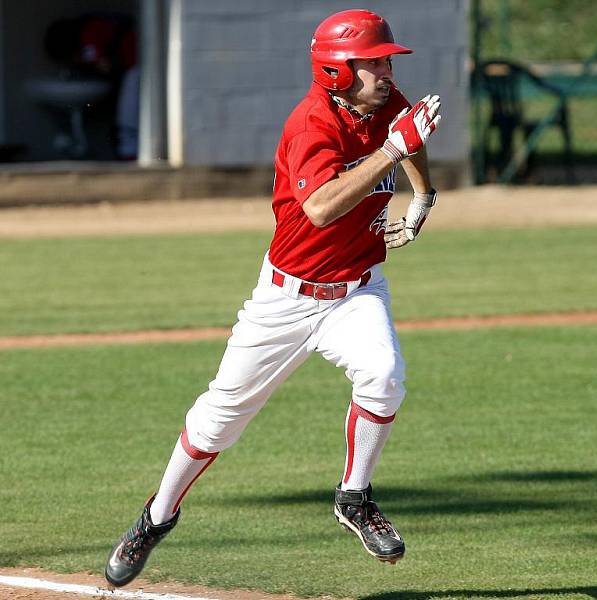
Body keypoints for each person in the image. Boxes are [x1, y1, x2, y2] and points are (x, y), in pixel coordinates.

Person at [104, 9, 441, 588]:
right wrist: (392, 153)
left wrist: (422, 193)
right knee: (218, 420)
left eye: (388, 60)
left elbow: (407, 131)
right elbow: (321, 207)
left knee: (384, 374)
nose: (386, 71)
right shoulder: (312, 124)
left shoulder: (382, 101)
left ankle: (354, 496)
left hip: (357, 288)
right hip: (285, 299)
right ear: (337, 70)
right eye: (374, 62)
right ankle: (155, 518)